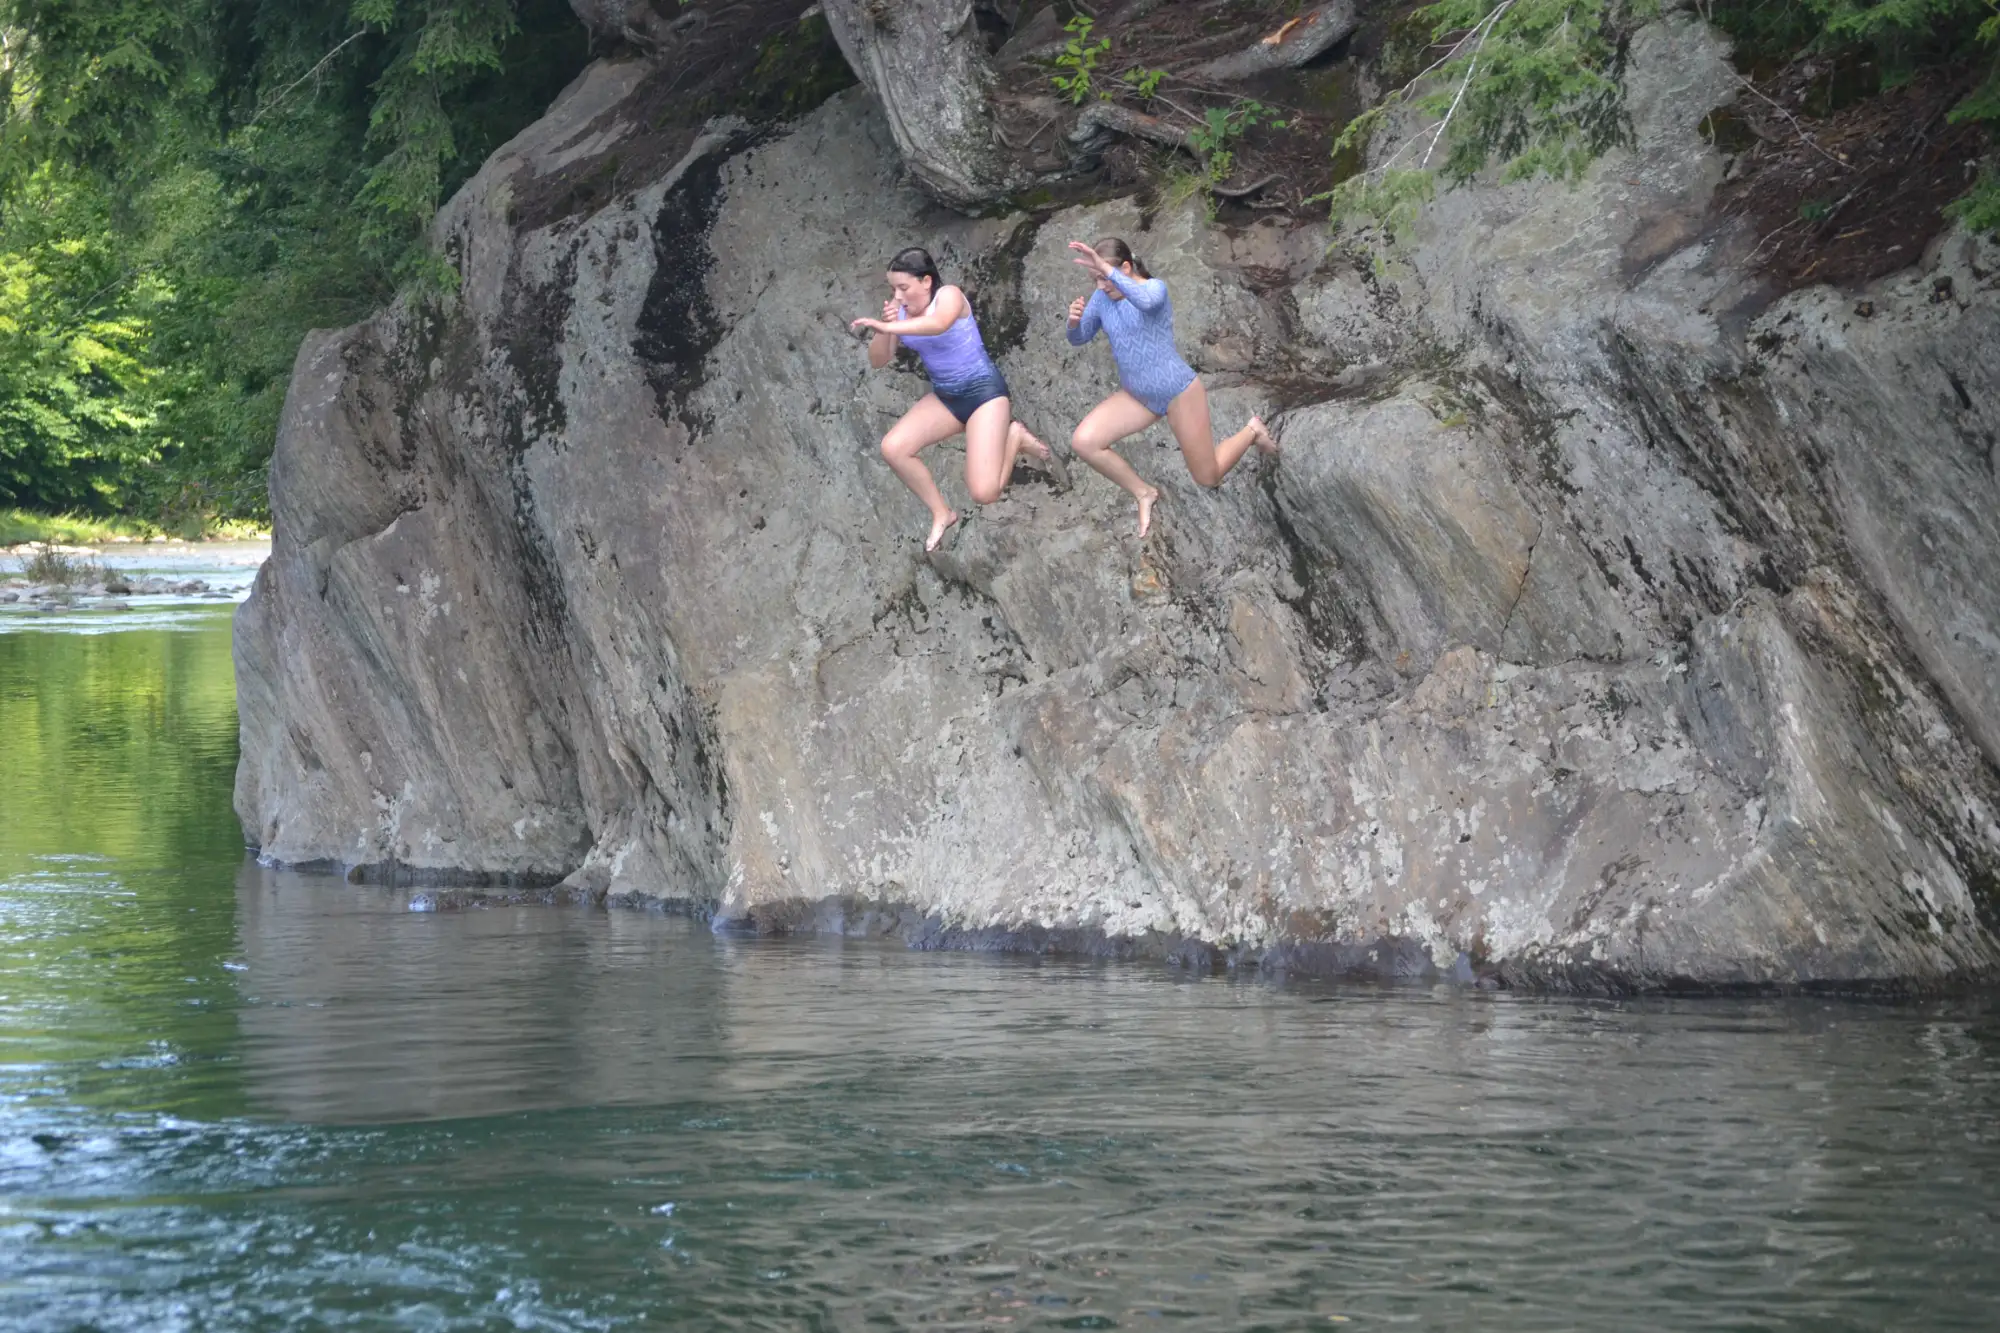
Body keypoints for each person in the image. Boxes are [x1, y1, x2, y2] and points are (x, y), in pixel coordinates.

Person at [1063, 238, 1276, 537]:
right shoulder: (1102, 299)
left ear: (1125, 268)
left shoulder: (1154, 289)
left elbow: (1145, 301)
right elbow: (1079, 338)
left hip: (1178, 392)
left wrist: (1106, 272)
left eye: (1104, 276)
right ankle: (1144, 493)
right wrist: (1073, 322)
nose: (1100, 286)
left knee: (1208, 476)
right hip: (1137, 397)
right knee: (1084, 441)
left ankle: (1253, 430)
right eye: (1094, 278)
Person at [851, 247, 1057, 551]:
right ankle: (942, 513)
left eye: (903, 288)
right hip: (947, 397)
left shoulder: (948, 295)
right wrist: (886, 327)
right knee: (893, 448)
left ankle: (1014, 437)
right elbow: (878, 360)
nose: (898, 295)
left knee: (984, 492)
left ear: (926, 281)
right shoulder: (901, 314)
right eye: (893, 289)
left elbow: (939, 324)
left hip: (984, 394)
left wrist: (891, 325)